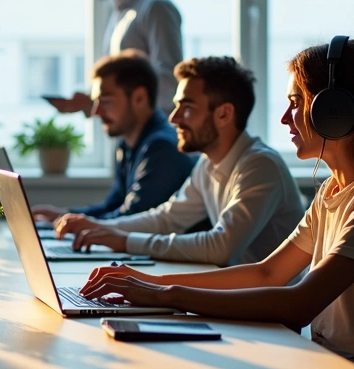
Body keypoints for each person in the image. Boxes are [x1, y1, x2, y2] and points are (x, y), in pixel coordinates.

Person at [83, 38, 354, 369]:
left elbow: (299, 304)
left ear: (334, 110)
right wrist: (148, 283)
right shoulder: (333, 191)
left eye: (296, 103)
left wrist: (167, 295)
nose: (285, 118)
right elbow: (268, 273)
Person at [55, 56, 305, 267]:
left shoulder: (260, 165)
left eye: (186, 107)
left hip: (269, 308)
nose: (173, 118)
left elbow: (221, 247)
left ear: (224, 114)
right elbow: (167, 219)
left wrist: (124, 240)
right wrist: (101, 227)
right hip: (236, 295)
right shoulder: (209, 163)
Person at [30, 50, 196, 223]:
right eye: (96, 102)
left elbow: (132, 220)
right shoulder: (127, 144)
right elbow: (113, 206)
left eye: (106, 101)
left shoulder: (162, 148)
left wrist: (73, 223)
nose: (97, 111)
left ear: (139, 98)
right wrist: (62, 215)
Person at [48, 0, 182, 115]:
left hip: (152, 130)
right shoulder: (120, 12)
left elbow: (169, 81)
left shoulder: (155, 8)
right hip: (130, 130)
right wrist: (90, 101)